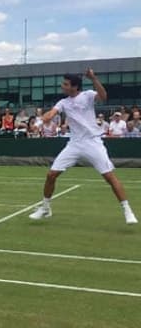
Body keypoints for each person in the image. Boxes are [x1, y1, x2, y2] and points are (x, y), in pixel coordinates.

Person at [29, 70, 137, 224]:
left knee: (109, 177)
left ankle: (127, 210)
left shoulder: (87, 95)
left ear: (75, 87)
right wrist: (39, 123)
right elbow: (51, 114)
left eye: (65, 84)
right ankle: (45, 208)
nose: (62, 86)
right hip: (74, 144)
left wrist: (93, 78)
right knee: (51, 175)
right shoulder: (63, 102)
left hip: (93, 143)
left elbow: (103, 96)